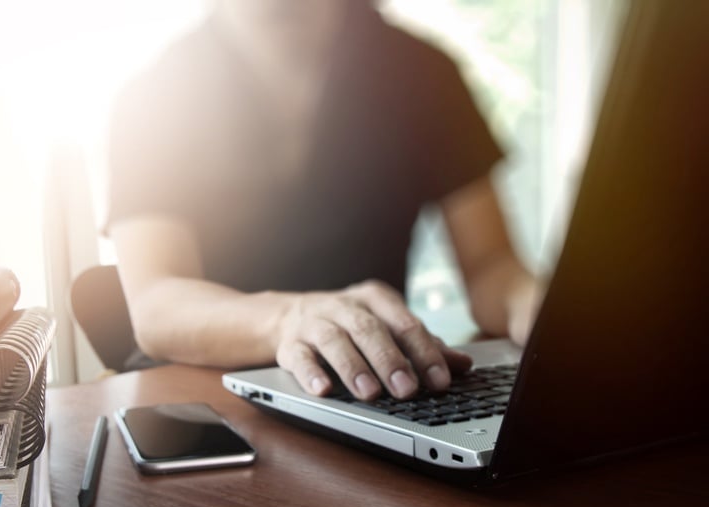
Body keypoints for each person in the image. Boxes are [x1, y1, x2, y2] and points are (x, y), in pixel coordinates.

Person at [104, 0, 541, 401]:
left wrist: (540, 309)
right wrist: (288, 319)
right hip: (207, 398)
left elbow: (491, 263)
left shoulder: (427, 74)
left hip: (373, 394)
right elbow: (156, 304)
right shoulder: (152, 97)